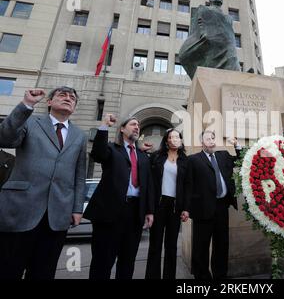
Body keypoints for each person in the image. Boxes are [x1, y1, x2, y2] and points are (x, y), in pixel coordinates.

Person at [0, 87, 87, 280]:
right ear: (49, 102)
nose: (68, 98)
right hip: (21, 211)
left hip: (57, 216)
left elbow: (79, 175)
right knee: (8, 269)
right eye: (62, 95)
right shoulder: (30, 121)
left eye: (72, 97)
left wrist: (77, 208)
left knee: (43, 272)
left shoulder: (79, 136)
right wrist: (27, 105)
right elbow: (4, 138)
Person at [83, 114, 154, 279]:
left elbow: (148, 185)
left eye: (138, 125)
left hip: (135, 212)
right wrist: (104, 126)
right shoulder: (111, 148)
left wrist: (149, 211)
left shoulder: (143, 156)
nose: (137, 127)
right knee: (103, 261)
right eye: (133, 124)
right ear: (122, 129)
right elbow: (98, 154)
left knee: (127, 262)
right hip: (110, 213)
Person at [186, 130, 240, 279]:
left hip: (222, 207)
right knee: (201, 245)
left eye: (212, 138)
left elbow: (241, 159)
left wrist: (236, 144)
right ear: (202, 143)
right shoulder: (193, 159)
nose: (211, 141)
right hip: (202, 209)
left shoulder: (223, 155)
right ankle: (202, 276)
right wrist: (187, 208)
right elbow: (188, 185)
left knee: (222, 244)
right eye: (207, 139)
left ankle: (220, 275)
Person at [145, 129, 190, 279]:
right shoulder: (157, 157)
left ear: (180, 140)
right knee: (155, 245)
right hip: (159, 204)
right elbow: (150, 184)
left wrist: (186, 209)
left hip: (175, 207)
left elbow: (187, 185)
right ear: (166, 141)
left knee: (171, 246)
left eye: (177, 137)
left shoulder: (185, 160)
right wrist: (149, 209)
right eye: (171, 137)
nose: (174, 139)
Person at [179, 0, 241, 79]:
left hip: (226, 45)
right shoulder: (203, 9)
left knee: (231, 49)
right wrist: (204, 34)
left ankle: (238, 72)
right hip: (209, 41)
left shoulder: (228, 18)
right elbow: (196, 28)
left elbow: (230, 35)